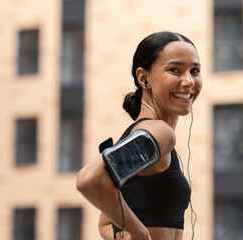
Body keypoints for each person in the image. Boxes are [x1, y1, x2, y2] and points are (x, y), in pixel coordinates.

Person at [76, 31, 202, 240]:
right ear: (144, 78)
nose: (188, 81)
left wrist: (125, 235)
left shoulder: (143, 136)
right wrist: (141, 235)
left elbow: (105, 223)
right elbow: (89, 180)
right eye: (174, 70)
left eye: (195, 71)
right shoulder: (160, 133)